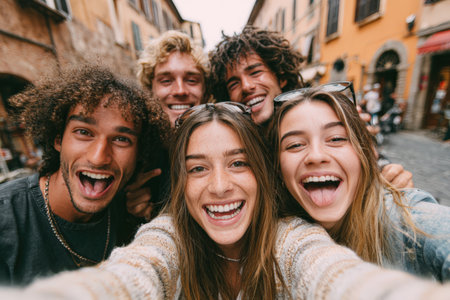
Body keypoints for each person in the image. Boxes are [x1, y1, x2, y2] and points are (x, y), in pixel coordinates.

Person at [2, 103, 450, 299]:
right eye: (197, 168)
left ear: (264, 174)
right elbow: (139, 269)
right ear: (180, 184)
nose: (218, 186)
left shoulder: (292, 236)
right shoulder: (169, 235)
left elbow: (329, 271)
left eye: (238, 163)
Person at [0, 64, 170, 285]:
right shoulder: (6, 218)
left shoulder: (130, 215)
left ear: (139, 154)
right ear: (58, 138)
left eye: (121, 139)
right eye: (83, 132)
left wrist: (144, 221)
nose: (99, 157)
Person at [270, 82, 450, 281]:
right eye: (295, 144)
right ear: (278, 169)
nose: (316, 155)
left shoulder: (407, 219)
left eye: (336, 139)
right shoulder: (272, 235)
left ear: (363, 152)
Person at [209, 26, 413, 188]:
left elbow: (377, 166)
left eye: (255, 72)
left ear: (280, 77)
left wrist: (391, 175)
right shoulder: (233, 144)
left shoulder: (326, 117)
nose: (246, 86)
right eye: (234, 83)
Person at [126, 30, 210, 220]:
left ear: (205, 91)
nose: (180, 90)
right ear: (150, 90)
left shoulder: (225, 142)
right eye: (166, 80)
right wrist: (135, 213)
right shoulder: (135, 151)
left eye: (191, 80)